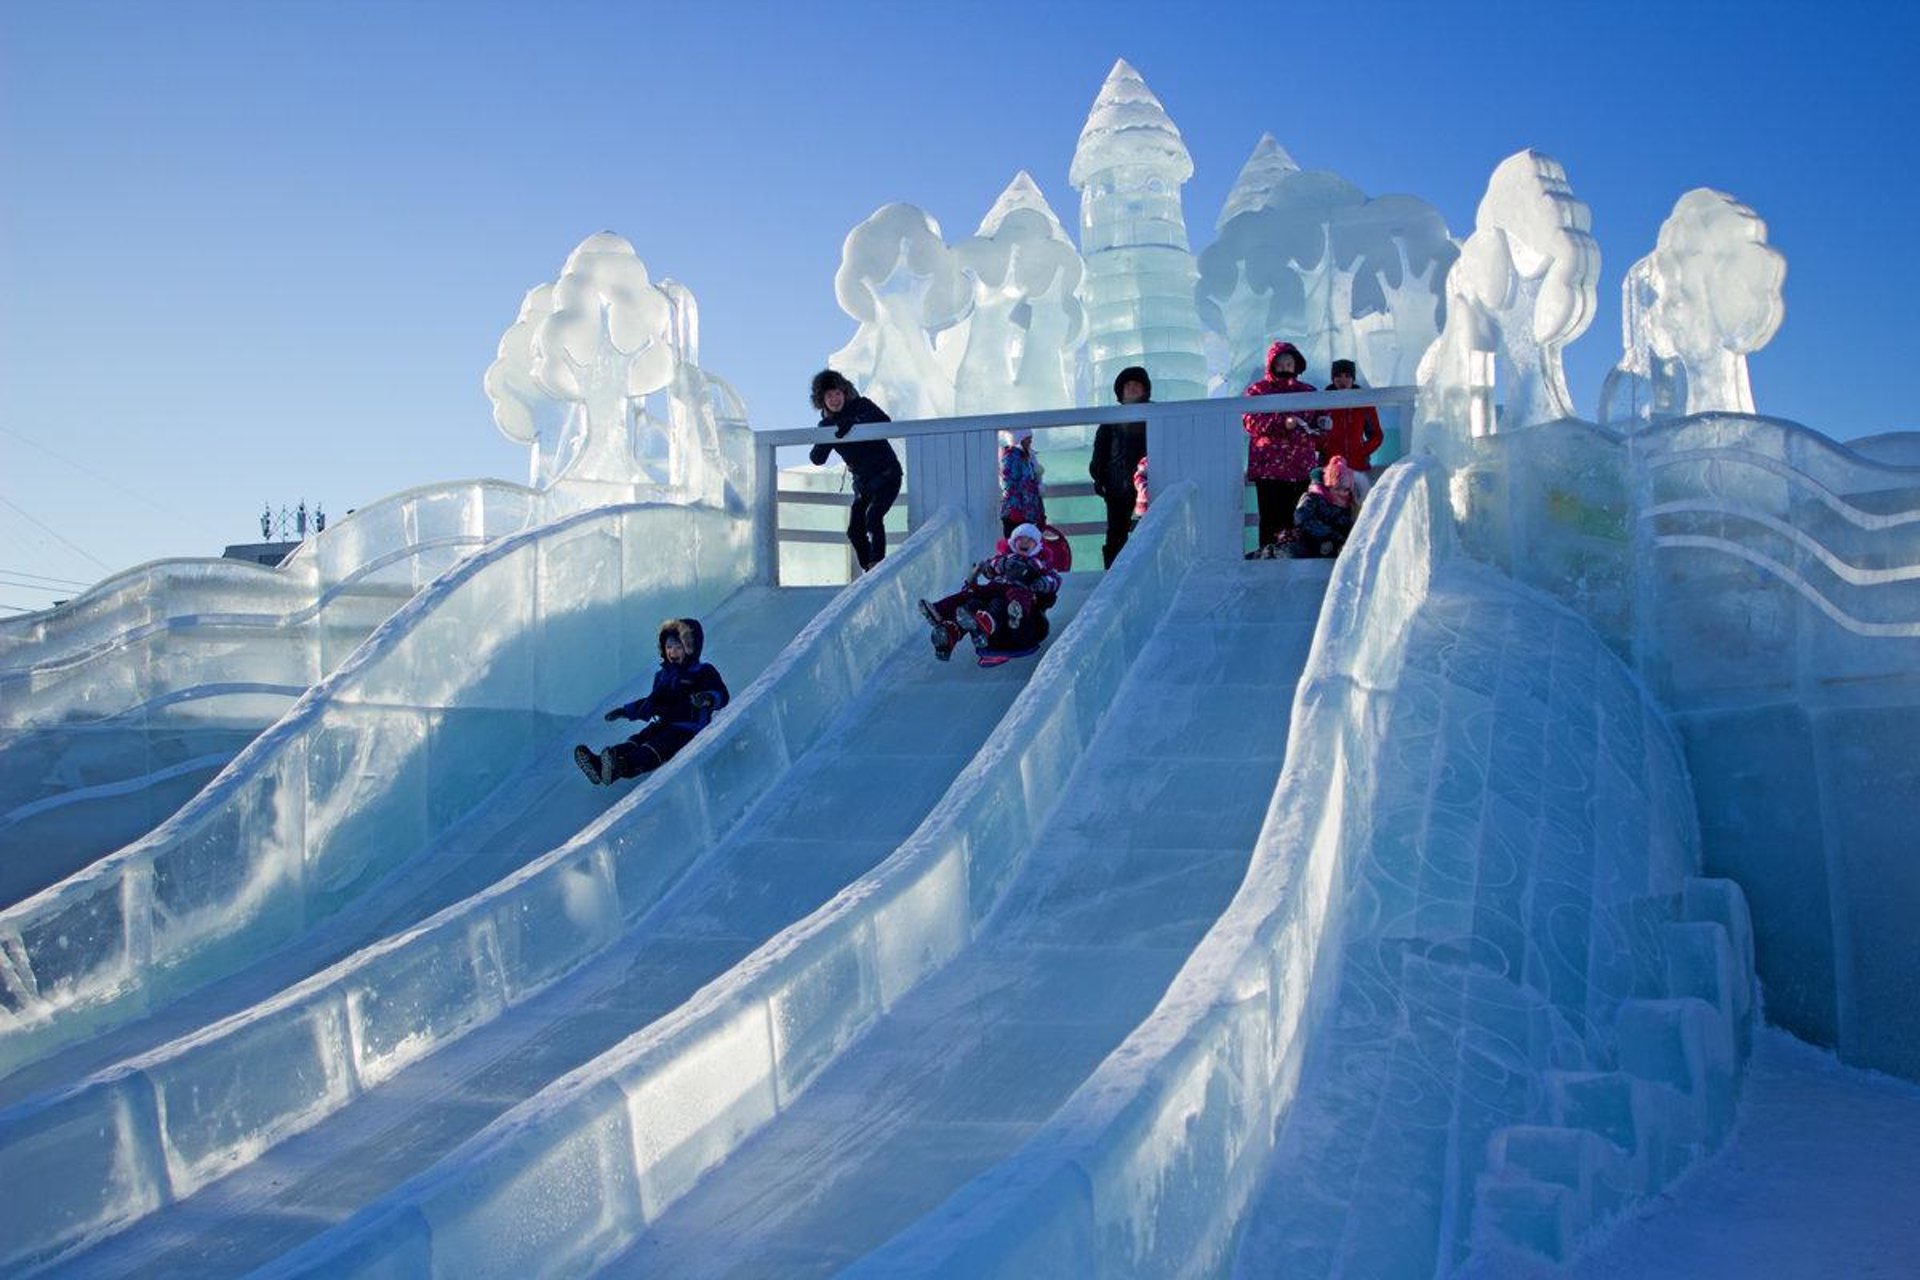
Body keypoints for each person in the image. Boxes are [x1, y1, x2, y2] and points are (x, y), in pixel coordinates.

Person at [574, 618, 729, 785]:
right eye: (669, 647)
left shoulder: (702, 672)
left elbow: (721, 694)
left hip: (688, 729)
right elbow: (652, 702)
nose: (672, 652)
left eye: (678, 647)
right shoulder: (663, 676)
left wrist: (708, 698)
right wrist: (626, 711)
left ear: (690, 649)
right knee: (639, 739)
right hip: (664, 723)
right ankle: (600, 765)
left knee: (656, 746)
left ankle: (621, 766)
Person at [918, 522, 1062, 661]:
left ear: (1037, 546)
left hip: (1018, 594)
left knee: (1002, 602)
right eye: (1021, 539)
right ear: (1013, 542)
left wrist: (1041, 583)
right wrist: (1001, 564)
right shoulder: (1005, 558)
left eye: (1030, 541)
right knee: (971, 598)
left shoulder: (1040, 563)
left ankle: (994, 621)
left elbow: (1054, 579)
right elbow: (990, 567)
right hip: (994, 588)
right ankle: (946, 626)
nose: (1025, 543)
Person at [808, 369, 903, 572]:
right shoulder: (826, 424)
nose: (834, 399)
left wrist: (855, 423)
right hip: (864, 484)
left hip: (887, 475)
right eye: (829, 395)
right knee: (854, 531)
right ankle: (870, 570)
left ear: (844, 392)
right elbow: (817, 459)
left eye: (837, 393)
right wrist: (827, 434)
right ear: (821, 400)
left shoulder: (862, 405)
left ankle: (878, 565)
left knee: (873, 517)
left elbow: (885, 421)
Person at [1243, 340, 1320, 554]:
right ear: (1272, 365)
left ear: (1297, 365)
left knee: (1299, 517)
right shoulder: (1257, 391)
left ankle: (1296, 557)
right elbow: (1250, 421)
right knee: (1270, 518)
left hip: (1300, 467)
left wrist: (1324, 422)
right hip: (1269, 469)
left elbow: (1320, 418)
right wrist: (1282, 423)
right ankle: (1268, 557)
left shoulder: (1308, 391)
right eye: (1281, 363)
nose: (1286, 367)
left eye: (1289, 363)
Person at [1091, 366, 1151, 568]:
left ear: (1145, 390)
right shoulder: (1111, 420)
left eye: (1137, 385)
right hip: (1118, 484)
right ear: (1120, 391)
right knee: (1116, 532)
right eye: (1128, 385)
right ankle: (1113, 575)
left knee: (1151, 529)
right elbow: (1100, 451)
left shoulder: (1156, 415)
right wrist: (1099, 477)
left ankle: (1146, 571)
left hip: (1149, 483)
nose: (1132, 389)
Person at [1270, 455, 1359, 559]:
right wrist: (1329, 535)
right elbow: (1302, 518)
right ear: (1329, 486)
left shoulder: (1348, 504)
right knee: (1290, 552)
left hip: (1332, 545)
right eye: (1338, 488)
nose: (1343, 493)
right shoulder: (1313, 498)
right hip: (1308, 541)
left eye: (1346, 489)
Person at [1319, 358, 1384, 498]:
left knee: (1359, 507)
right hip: (1331, 470)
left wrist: (1361, 451)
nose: (1343, 380)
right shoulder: (1323, 402)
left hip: (1358, 467)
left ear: (1353, 379)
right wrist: (1325, 446)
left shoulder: (1363, 402)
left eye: (1347, 376)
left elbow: (1377, 435)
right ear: (1332, 378)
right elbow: (1314, 435)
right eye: (1338, 376)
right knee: (1334, 508)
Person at [998, 427, 1046, 536]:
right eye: (1028, 438)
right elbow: (1008, 483)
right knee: (1016, 545)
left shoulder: (1027, 456)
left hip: (1027, 512)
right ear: (1020, 439)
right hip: (1016, 513)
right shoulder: (1011, 457)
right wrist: (1035, 487)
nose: (1031, 441)